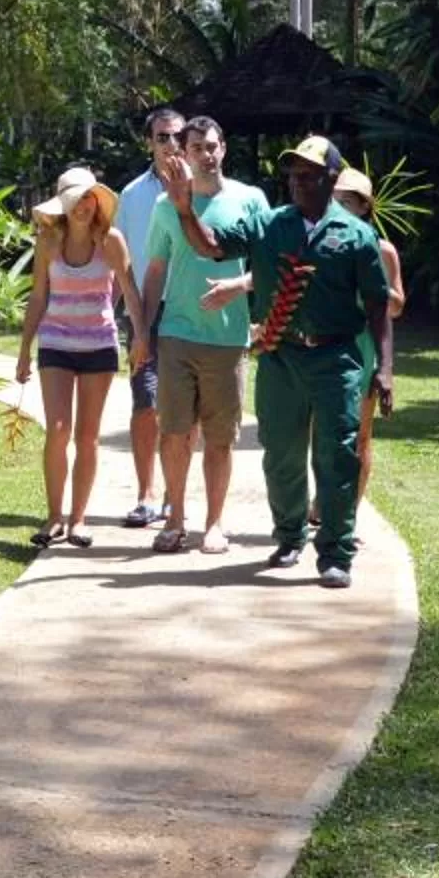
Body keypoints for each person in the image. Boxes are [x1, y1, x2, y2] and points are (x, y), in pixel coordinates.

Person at [161, 135, 394, 590]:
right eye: (293, 173)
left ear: (331, 178)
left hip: (336, 358)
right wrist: (185, 210)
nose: (298, 181)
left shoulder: (356, 235)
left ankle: (335, 553)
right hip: (281, 357)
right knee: (282, 454)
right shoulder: (269, 225)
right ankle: (289, 537)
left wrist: (384, 368)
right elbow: (211, 246)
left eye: (309, 174)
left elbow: (377, 306)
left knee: (337, 454)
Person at [137, 115, 269, 554]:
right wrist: (143, 331)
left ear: (223, 148)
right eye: (197, 148)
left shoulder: (251, 200)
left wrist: (240, 288)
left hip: (229, 340)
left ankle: (214, 523)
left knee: (219, 438)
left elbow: (271, 265)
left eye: (212, 146)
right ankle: (175, 518)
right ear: (185, 153)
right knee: (174, 432)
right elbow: (155, 272)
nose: (206, 155)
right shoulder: (166, 206)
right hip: (176, 334)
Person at [14, 166, 146, 549]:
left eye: (88, 197)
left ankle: (78, 519)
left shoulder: (111, 241)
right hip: (55, 342)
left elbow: (129, 290)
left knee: (87, 436)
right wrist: (24, 350)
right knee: (58, 431)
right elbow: (38, 296)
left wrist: (140, 337)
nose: (83, 206)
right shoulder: (48, 241)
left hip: (98, 345)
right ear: (62, 205)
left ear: (96, 202)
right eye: (75, 199)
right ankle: (54, 517)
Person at [113, 107, 186, 529]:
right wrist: (113, 313)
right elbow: (119, 260)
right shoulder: (132, 195)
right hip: (144, 312)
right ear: (150, 143)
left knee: (187, 410)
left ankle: (177, 497)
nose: (171, 144)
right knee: (145, 402)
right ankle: (146, 495)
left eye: (177, 136)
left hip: (191, 310)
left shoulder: (201, 188)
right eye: (162, 137)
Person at [342, 172, 408, 509]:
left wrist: (372, 285)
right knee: (323, 433)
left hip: (365, 348)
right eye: (333, 201)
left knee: (361, 433)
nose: (338, 209)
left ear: (364, 207)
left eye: (346, 202)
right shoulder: (321, 245)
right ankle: (324, 501)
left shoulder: (383, 250)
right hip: (327, 347)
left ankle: (350, 510)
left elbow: (396, 307)